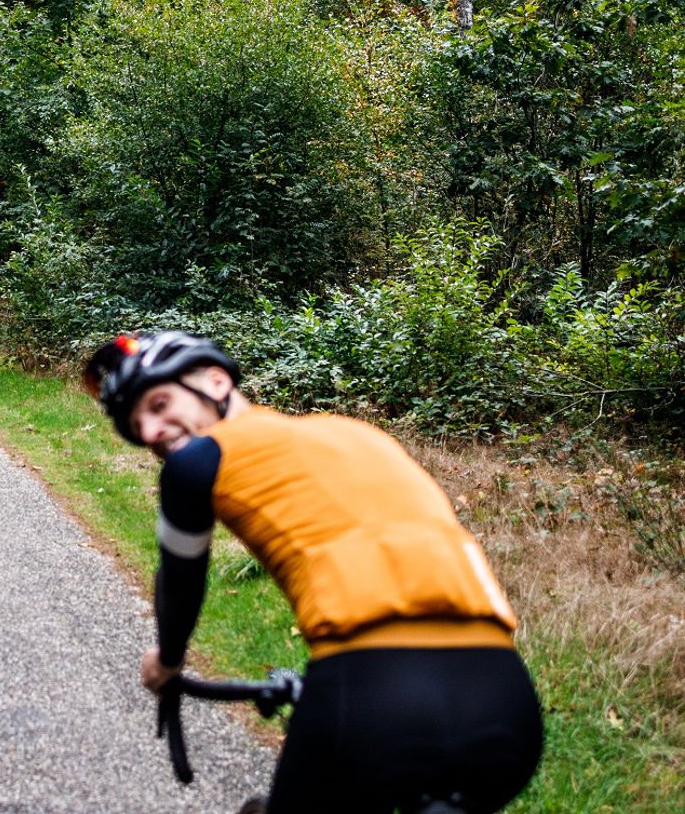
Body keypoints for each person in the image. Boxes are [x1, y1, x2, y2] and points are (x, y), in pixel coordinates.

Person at [84, 331, 542, 813]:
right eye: (137, 426)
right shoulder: (359, 434)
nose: (151, 432)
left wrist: (168, 661)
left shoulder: (197, 462)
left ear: (216, 382)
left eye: (159, 405)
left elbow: (180, 583)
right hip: (505, 703)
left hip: (372, 695)